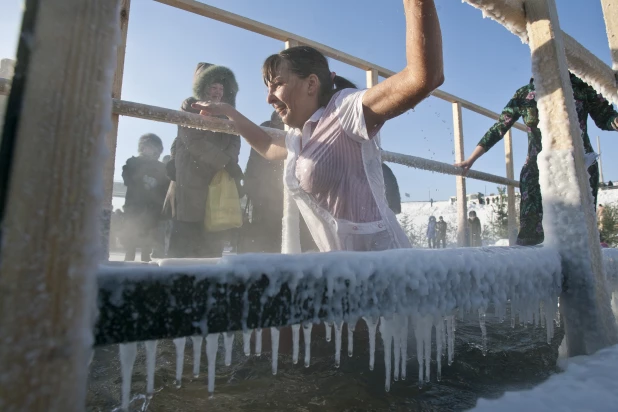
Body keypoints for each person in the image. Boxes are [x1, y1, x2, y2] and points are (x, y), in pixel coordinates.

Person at [191, 0, 444, 252]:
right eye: (267, 89)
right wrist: (228, 111)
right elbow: (267, 144)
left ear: (311, 84)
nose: (268, 98)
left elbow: (423, 77)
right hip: (343, 273)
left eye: (277, 84)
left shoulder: (346, 108)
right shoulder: (300, 135)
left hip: (385, 268)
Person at [455, 73, 618, 246]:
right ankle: (533, 264)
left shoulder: (581, 89)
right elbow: (499, 128)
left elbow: (606, 117)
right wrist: (471, 159)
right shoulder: (525, 95)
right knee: (531, 232)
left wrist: (614, 121)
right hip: (538, 168)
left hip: (578, 165)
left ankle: (587, 266)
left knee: (580, 231)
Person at [164, 63, 243, 258]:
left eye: (221, 88)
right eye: (213, 87)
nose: (217, 92)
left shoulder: (229, 112)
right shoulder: (190, 105)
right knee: (186, 239)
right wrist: (225, 162)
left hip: (217, 180)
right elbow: (193, 140)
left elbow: (235, 140)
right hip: (191, 178)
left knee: (212, 242)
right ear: (202, 86)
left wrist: (230, 164)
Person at [239, 111, 317, 253]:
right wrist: (251, 187)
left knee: (296, 235)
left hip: (295, 191)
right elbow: (254, 162)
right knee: (269, 236)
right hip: (266, 193)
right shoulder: (266, 128)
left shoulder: (305, 128)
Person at [122, 134, 169, 262]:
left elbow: (165, 187)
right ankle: (128, 262)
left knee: (147, 243)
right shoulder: (132, 162)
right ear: (141, 148)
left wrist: (156, 184)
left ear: (158, 151)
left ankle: (145, 264)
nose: (149, 150)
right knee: (131, 239)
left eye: (152, 148)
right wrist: (142, 179)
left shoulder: (161, 167)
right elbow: (127, 179)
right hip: (134, 207)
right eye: (146, 147)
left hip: (152, 210)